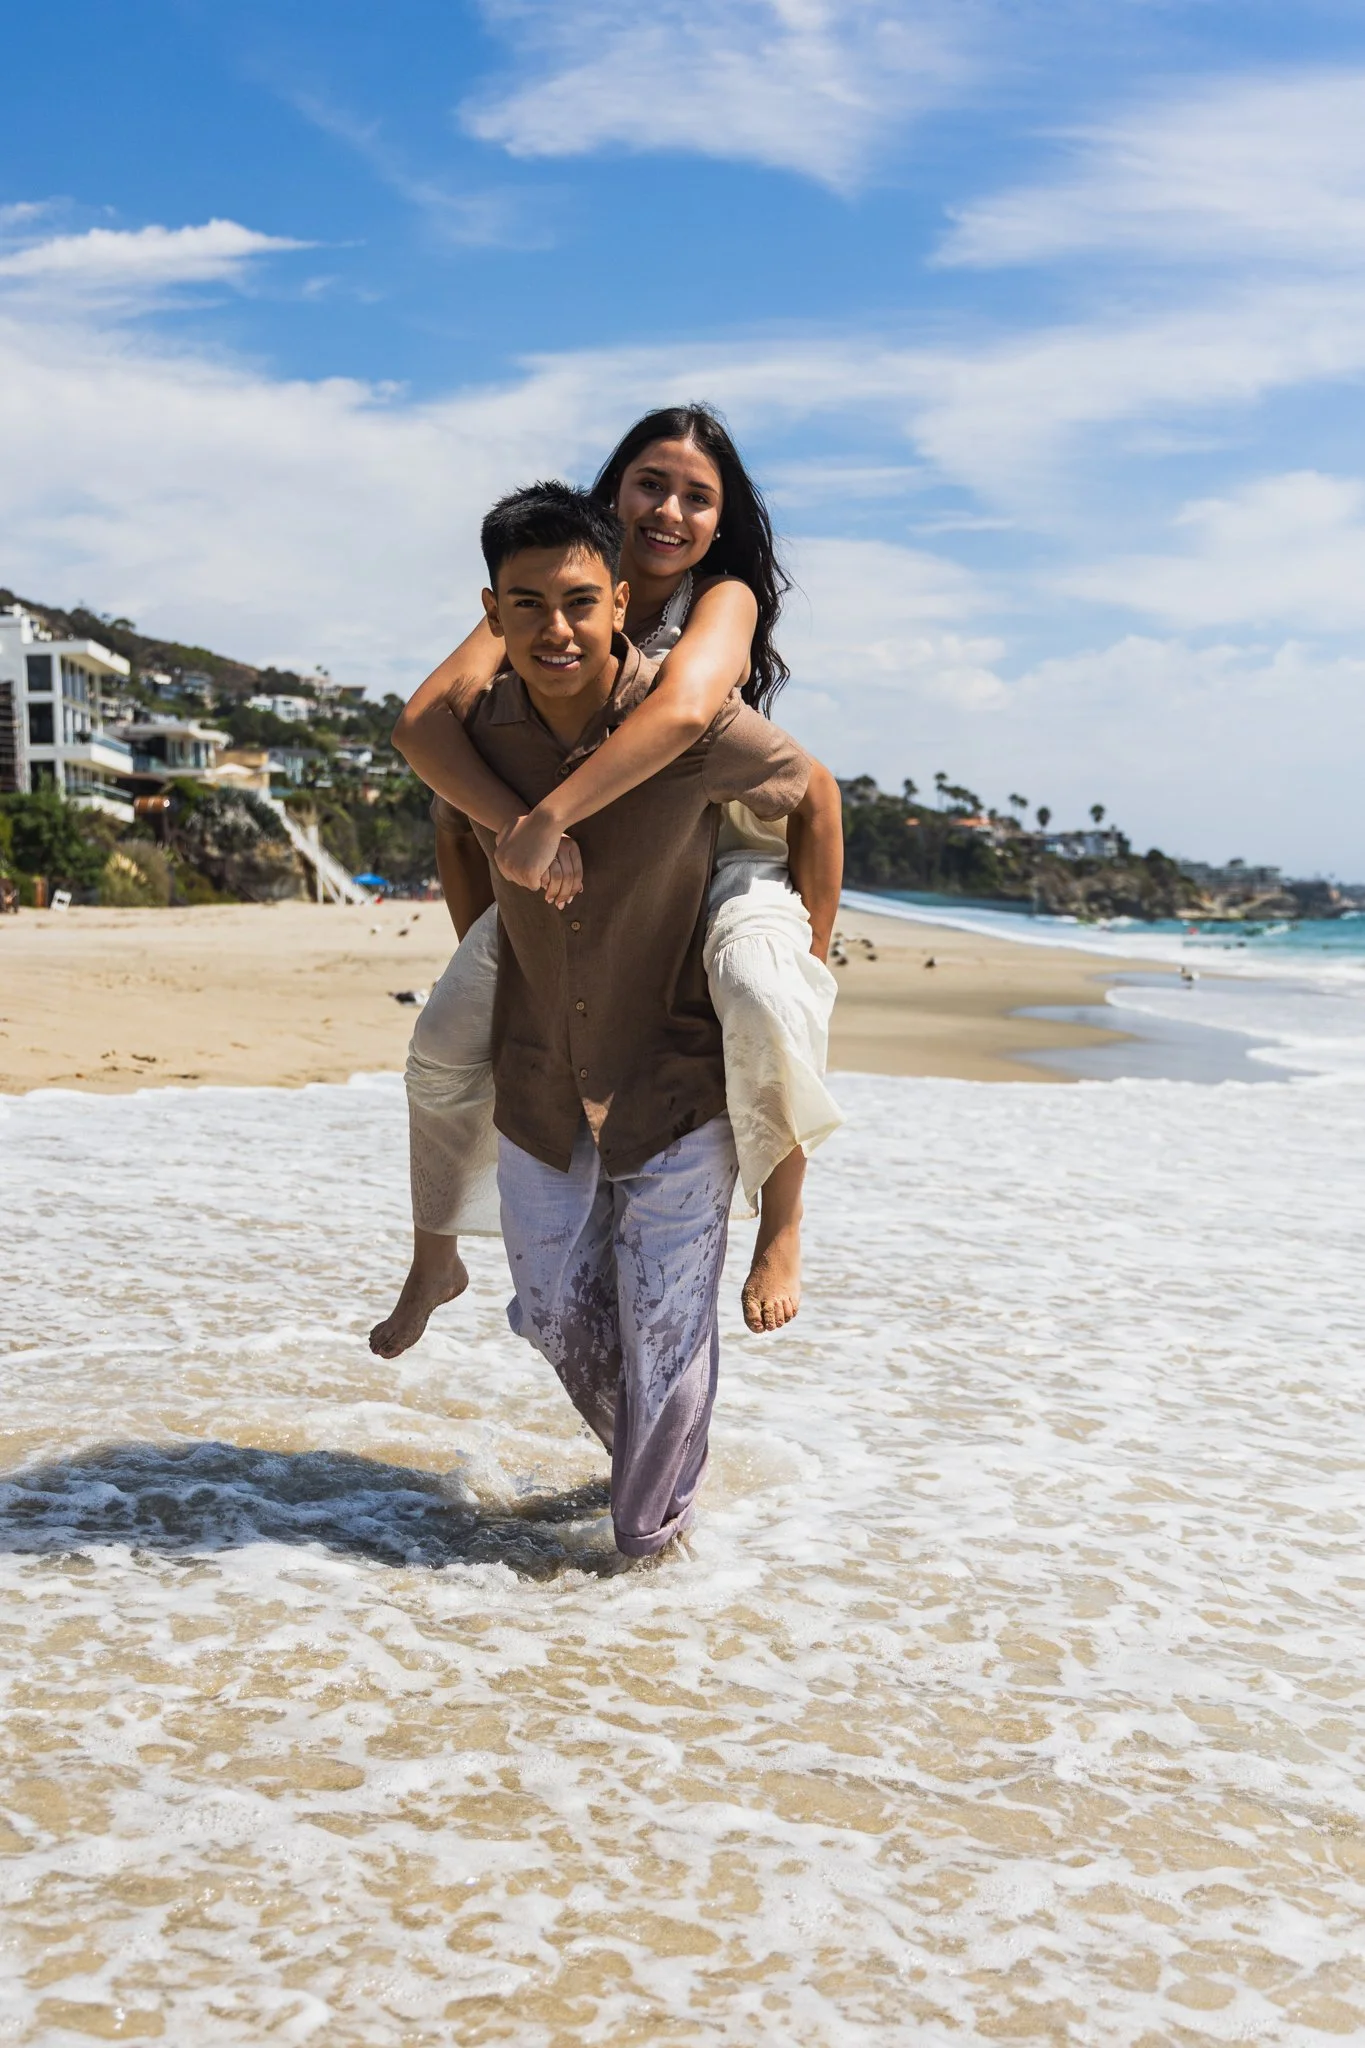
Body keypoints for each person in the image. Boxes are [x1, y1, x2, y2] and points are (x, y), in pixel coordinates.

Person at [370, 405, 844, 1357]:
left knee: (760, 991)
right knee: (441, 1043)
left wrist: (549, 818)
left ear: (721, 520)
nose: (668, 511)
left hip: (722, 843)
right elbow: (423, 724)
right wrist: (520, 857)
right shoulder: (556, 585)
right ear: (614, 489)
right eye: (650, 485)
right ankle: (435, 1252)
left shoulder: (722, 598)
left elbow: (683, 711)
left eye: (697, 497)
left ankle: (783, 1223)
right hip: (574, 861)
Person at [453, 481, 822, 1557]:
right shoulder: (480, 732)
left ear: (620, 600)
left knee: (665, 1335)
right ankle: (655, 1466)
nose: (555, 629)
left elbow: (814, 792)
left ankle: (651, 1556)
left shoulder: (686, 722)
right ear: (493, 612)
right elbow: (447, 819)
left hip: (672, 1079)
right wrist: (487, 953)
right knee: (551, 1313)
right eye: (527, 606)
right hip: (540, 1076)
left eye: (579, 602)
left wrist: (809, 955)